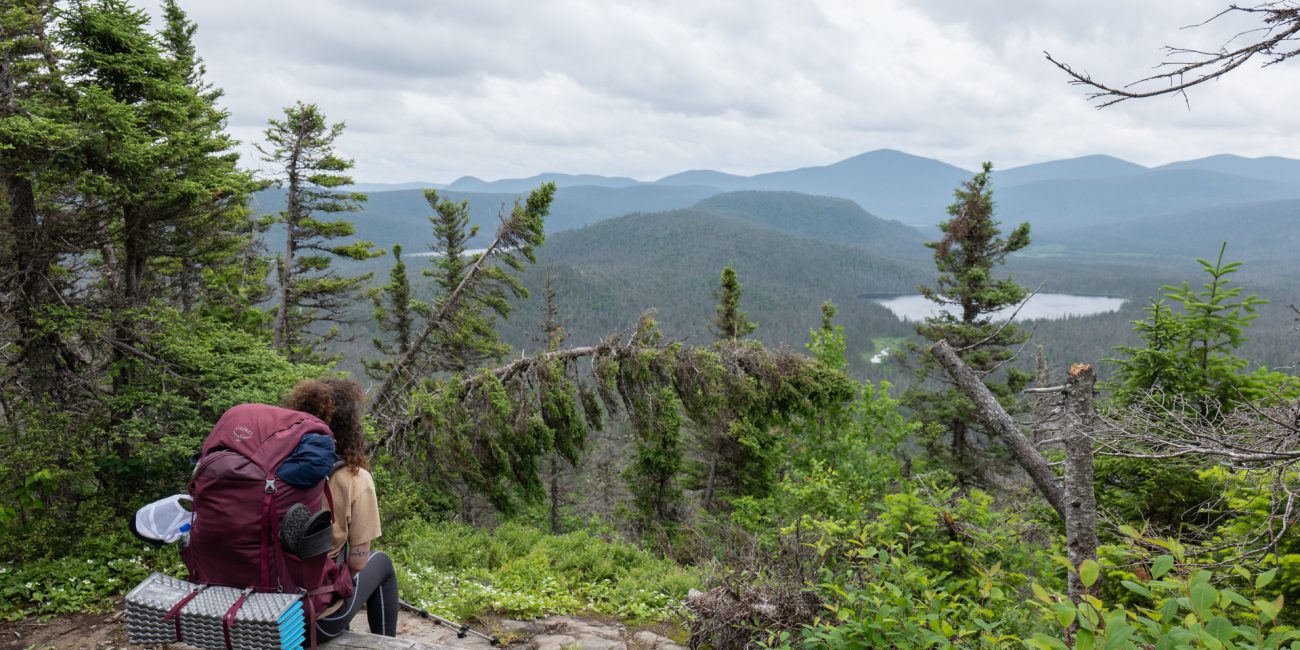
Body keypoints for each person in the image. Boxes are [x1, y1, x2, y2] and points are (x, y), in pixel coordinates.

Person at [283, 378, 399, 640]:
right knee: (381, 563)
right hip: (310, 621)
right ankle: (386, 644)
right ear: (349, 425)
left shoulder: (274, 469)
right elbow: (357, 562)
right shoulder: (353, 478)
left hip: (264, 606)